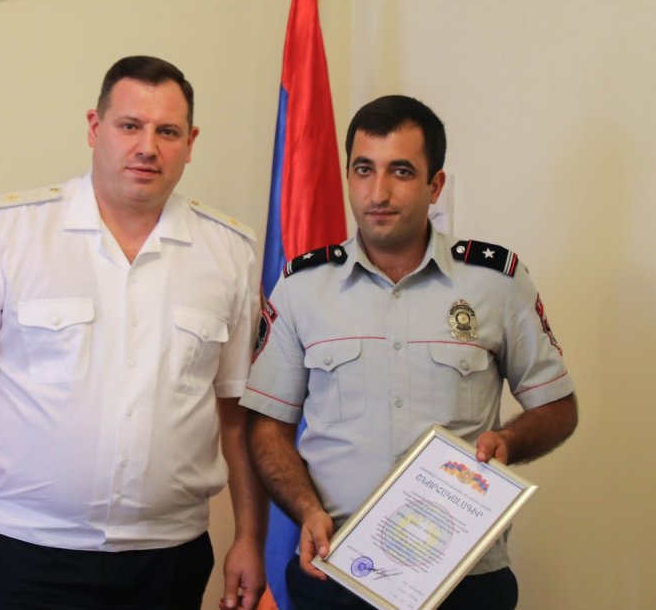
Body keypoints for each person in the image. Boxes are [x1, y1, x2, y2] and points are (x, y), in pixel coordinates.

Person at [0, 56, 266, 610]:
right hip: (25, 548)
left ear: (190, 143)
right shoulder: (8, 234)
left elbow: (236, 409)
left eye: (167, 132)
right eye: (130, 126)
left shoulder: (229, 252)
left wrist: (249, 536)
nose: (147, 147)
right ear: (95, 128)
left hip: (168, 556)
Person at [242, 95, 577, 610]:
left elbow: (557, 406)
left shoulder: (495, 282)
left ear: (434, 185)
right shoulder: (301, 287)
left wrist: (509, 442)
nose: (378, 192)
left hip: (463, 578)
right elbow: (268, 426)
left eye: (400, 171)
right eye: (363, 169)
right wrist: (306, 509)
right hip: (337, 567)